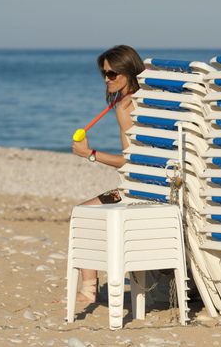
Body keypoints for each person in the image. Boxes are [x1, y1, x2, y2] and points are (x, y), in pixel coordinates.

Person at [71, 45, 145, 303]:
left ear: (129, 71)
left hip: (136, 190)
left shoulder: (126, 105)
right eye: (105, 74)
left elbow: (129, 162)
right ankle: (89, 289)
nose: (107, 79)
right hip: (154, 185)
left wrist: (90, 153)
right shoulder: (143, 97)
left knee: (82, 213)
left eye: (113, 74)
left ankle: (88, 291)